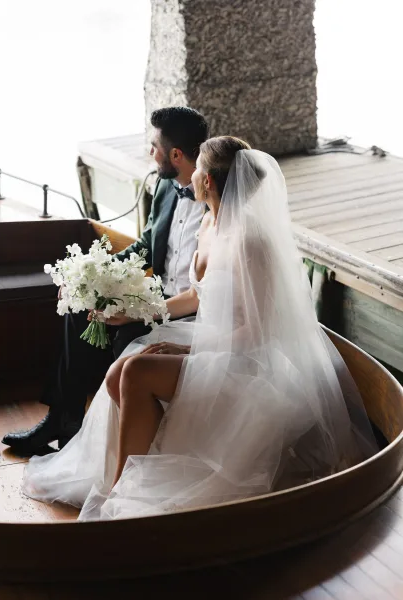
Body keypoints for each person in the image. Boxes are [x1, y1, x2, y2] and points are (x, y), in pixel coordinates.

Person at [23, 136, 378, 520]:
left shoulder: (251, 240)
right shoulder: (209, 221)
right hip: (212, 343)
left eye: (199, 173)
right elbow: (196, 296)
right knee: (116, 374)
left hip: (248, 361)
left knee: (138, 371)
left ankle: (119, 494)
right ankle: (141, 475)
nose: (191, 178)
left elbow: (257, 331)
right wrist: (137, 312)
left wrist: (188, 351)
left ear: (207, 181)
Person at [2, 106, 209, 455]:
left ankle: (115, 441)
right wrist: (95, 279)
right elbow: (145, 246)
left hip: (189, 310)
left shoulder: (214, 200)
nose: (150, 152)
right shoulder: (164, 186)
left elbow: (200, 293)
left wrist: (135, 312)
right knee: (80, 311)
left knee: (125, 334)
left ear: (175, 154)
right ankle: (62, 421)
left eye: (154, 145)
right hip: (154, 292)